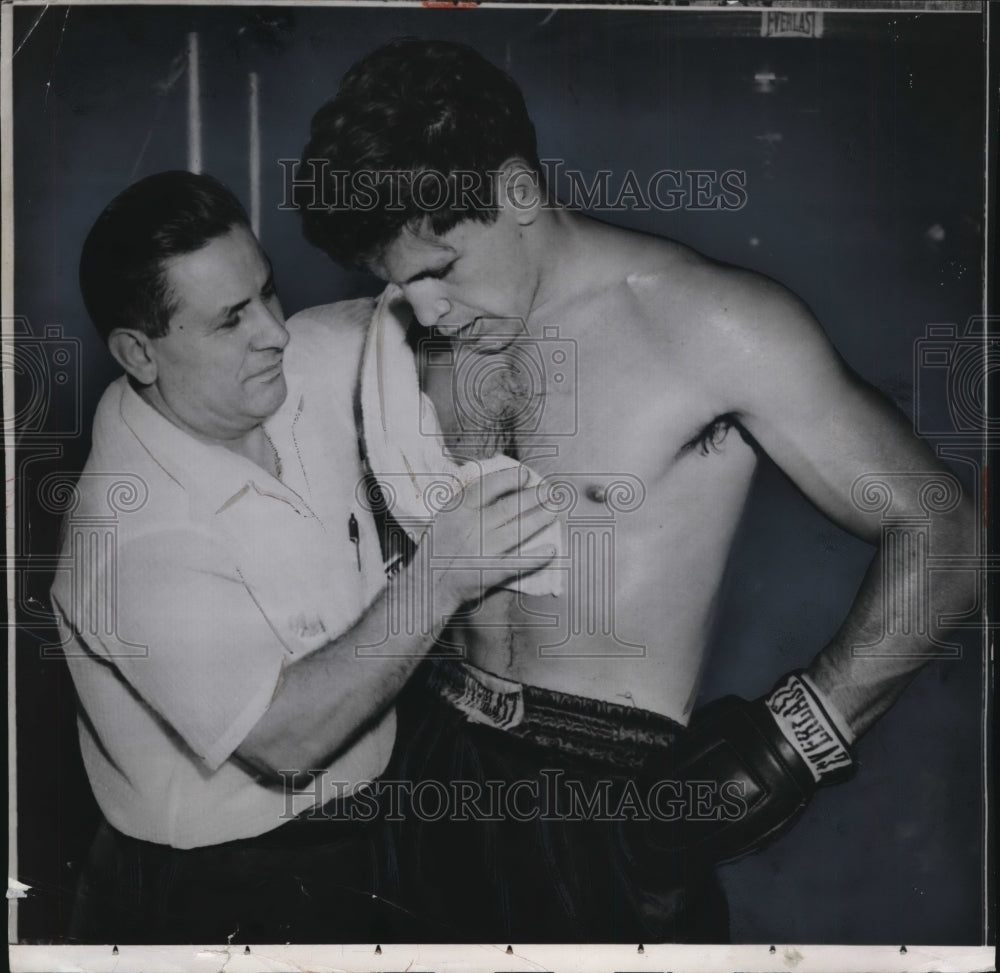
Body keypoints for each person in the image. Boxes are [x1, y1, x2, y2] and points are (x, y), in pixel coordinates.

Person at [294, 39, 977, 942]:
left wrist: (791, 745)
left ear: (517, 194)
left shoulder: (709, 322)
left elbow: (947, 531)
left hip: (607, 794)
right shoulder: (410, 337)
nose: (422, 311)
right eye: (395, 280)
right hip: (427, 757)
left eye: (439, 269)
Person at [50, 170, 555, 943]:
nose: (275, 331)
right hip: (213, 894)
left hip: (371, 827)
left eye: (267, 292)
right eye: (231, 321)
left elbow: (445, 306)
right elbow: (285, 741)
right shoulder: (127, 537)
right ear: (138, 353)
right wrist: (441, 574)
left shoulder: (302, 361)